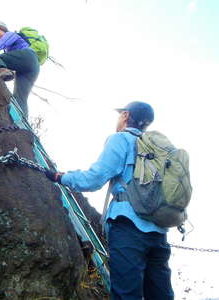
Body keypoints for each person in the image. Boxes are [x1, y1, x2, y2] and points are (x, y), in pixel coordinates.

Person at [45, 101, 174, 300]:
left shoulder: (121, 139)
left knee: (126, 294)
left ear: (125, 115)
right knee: (160, 295)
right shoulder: (159, 149)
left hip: (128, 226)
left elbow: (95, 179)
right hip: (159, 230)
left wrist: (61, 177)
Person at [0, 21, 40, 118]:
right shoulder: (9, 48)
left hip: (28, 56)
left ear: (1, 28)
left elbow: (4, 41)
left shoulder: (11, 34)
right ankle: (22, 123)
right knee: (20, 98)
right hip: (32, 68)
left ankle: (3, 70)